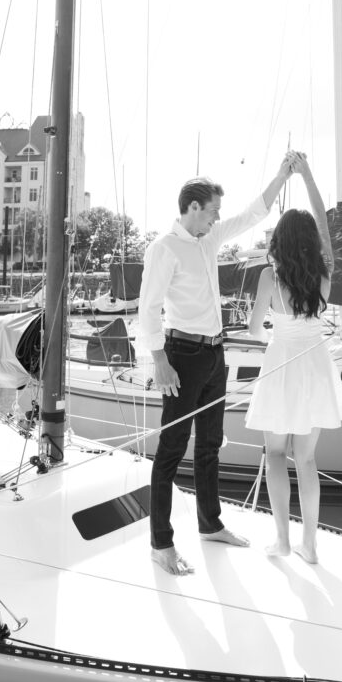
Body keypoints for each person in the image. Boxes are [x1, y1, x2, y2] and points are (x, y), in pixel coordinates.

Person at [138, 154, 294, 576]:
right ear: (193, 208)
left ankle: (210, 524)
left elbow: (252, 214)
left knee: (210, 444)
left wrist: (281, 174)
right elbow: (148, 310)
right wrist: (159, 361)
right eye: (212, 212)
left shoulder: (209, 238)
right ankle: (161, 544)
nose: (216, 219)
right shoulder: (164, 248)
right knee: (171, 451)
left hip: (213, 355)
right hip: (181, 357)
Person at [245, 153, 342, 564]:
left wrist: (273, 329)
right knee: (306, 459)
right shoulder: (324, 272)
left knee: (274, 454)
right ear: (309, 241)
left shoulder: (270, 277)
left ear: (279, 241)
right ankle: (310, 544)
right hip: (316, 364)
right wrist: (306, 174)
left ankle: (283, 541)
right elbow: (324, 222)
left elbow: (255, 330)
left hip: (282, 363)